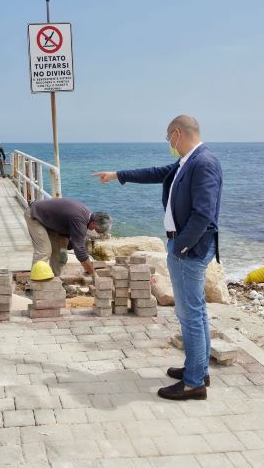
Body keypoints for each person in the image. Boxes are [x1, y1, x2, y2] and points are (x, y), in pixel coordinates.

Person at [94, 115, 222, 401]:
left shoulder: (204, 163)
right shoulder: (186, 161)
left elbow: (204, 214)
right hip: (186, 247)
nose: (169, 144)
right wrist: (117, 175)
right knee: (195, 311)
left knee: (189, 314)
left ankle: (193, 384)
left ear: (177, 134)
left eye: (168, 138)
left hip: (190, 249)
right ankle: (198, 369)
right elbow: (155, 172)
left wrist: (181, 247)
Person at [24, 198, 111, 278]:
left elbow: (64, 232)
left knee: (58, 255)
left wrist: (62, 251)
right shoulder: (79, 221)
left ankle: (55, 281)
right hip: (35, 215)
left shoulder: (87, 217)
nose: (96, 233)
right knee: (44, 251)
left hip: (49, 221)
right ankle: (34, 283)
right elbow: (80, 252)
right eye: (98, 231)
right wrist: (93, 274)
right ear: (94, 223)